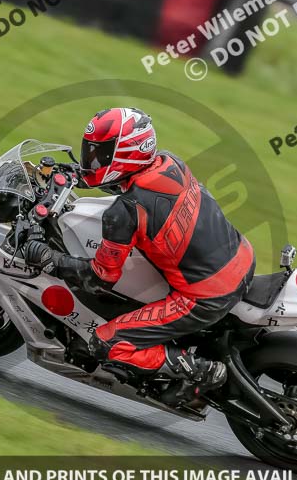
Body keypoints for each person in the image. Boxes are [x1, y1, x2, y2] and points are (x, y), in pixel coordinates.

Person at [24, 108, 254, 405]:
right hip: (242, 258)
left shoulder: (124, 213)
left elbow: (100, 278)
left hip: (204, 296)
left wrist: (47, 258)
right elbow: (128, 186)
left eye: (100, 154)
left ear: (126, 154)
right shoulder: (170, 163)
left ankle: (203, 371)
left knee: (108, 342)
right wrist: (77, 175)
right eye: (89, 151)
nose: (91, 160)